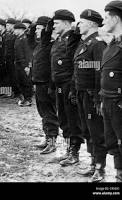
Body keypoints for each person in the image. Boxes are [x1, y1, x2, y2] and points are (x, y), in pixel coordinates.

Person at [74, 9, 107, 182]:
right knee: (87, 130)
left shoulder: (97, 44)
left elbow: (99, 72)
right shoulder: (84, 43)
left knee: (96, 132)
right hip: (82, 94)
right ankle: (94, 164)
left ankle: (100, 169)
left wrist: (97, 99)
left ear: (92, 24)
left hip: (91, 96)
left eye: (82, 22)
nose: (78, 25)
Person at [49, 10, 84, 166]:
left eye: (56, 23)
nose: (53, 26)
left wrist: (73, 88)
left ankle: (75, 153)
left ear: (66, 23)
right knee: (63, 119)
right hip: (59, 85)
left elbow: (75, 64)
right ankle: (68, 150)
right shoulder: (58, 39)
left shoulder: (73, 39)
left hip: (69, 85)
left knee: (72, 120)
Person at [100, 0, 122, 182]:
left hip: (119, 102)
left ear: (115, 19)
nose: (104, 22)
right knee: (112, 142)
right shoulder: (112, 44)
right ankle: (119, 174)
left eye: (106, 18)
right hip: (108, 100)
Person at [32, 16, 59, 154]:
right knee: (43, 113)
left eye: (38, 28)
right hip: (39, 83)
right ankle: (47, 137)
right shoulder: (40, 44)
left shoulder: (50, 44)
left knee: (49, 114)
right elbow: (31, 32)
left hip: (47, 85)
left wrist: (47, 26)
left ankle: (52, 142)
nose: (36, 30)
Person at [14, 22, 33, 107]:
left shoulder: (25, 39)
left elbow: (28, 53)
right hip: (18, 63)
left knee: (26, 82)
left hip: (23, 64)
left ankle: (28, 99)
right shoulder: (18, 38)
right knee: (20, 81)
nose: (14, 31)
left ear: (21, 30)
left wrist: (27, 66)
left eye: (16, 29)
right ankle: (24, 98)